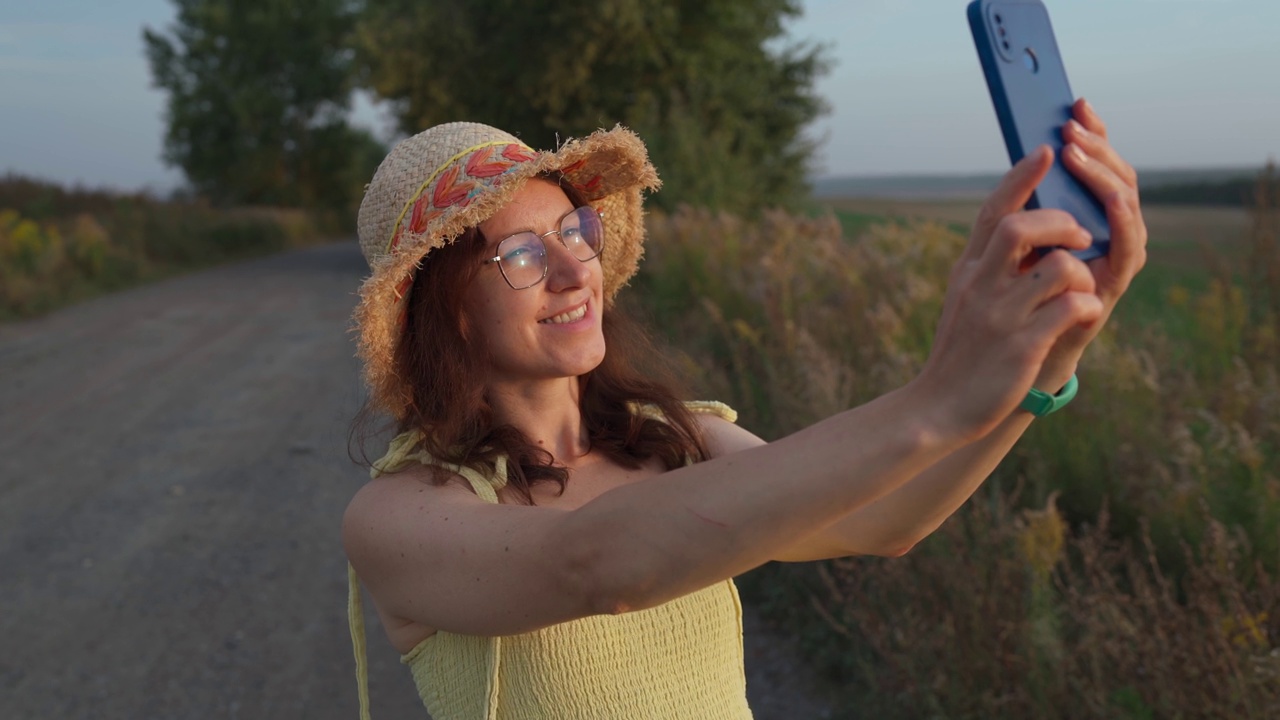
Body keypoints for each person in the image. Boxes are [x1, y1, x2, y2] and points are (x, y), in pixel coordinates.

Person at [343, 106, 1147, 719]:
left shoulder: (679, 440)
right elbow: (597, 567)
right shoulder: (403, 515)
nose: (572, 270)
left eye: (572, 231)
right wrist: (936, 395)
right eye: (520, 254)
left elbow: (885, 519)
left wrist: (1045, 366)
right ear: (447, 313)